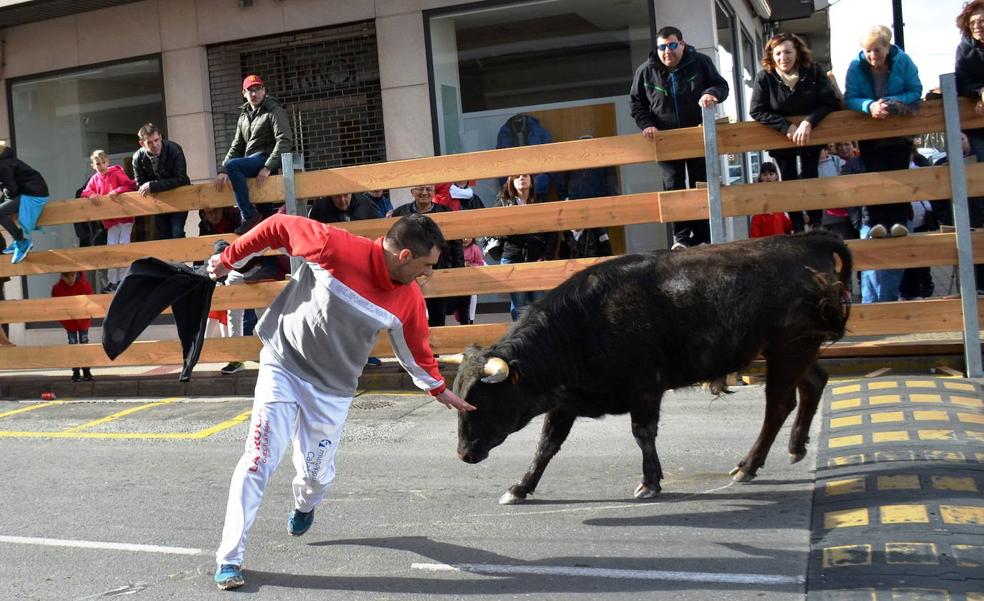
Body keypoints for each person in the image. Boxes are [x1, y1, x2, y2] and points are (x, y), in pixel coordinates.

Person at [207, 212, 473, 590]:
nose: (429, 274)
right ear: (404, 256)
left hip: (331, 390)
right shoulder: (335, 246)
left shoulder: (408, 299)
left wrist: (437, 388)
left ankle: (304, 503)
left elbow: (416, 349)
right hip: (283, 364)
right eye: (426, 265)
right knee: (259, 458)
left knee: (315, 477)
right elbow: (278, 226)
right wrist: (229, 258)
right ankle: (229, 558)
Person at [630, 25, 729, 249]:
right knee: (674, 185)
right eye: (663, 47)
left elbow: (721, 85)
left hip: (698, 135)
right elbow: (636, 103)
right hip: (666, 139)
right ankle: (681, 238)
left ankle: (703, 237)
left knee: (700, 184)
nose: (668, 51)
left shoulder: (701, 62)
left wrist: (710, 93)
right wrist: (646, 125)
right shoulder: (646, 70)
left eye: (673, 45)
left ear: (682, 45)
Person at [750, 33, 841, 232]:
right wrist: (786, 127)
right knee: (789, 179)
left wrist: (808, 122)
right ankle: (797, 227)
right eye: (778, 53)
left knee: (811, 175)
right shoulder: (764, 77)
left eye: (788, 52)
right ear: (771, 56)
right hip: (781, 138)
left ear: (797, 52)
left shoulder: (814, 71)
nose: (784, 57)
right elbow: (756, 110)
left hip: (812, 134)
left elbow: (829, 102)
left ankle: (816, 223)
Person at [844, 25, 922, 242]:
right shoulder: (855, 66)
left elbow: (916, 90)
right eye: (867, 50)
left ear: (887, 48)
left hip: (899, 129)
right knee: (875, 174)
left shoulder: (903, 61)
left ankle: (899, 221)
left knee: (898, 173)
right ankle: (875, 222)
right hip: (870, 130)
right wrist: (869, 105)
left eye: (876, 50)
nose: (871, 55)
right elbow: (850, 97)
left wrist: (894, 103)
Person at [214, 74, 293, 235]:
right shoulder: (243, 116)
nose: (254, 94)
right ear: (244, 93)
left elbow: (284, 140)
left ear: (264, 90)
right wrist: (222, 171)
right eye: (250, 91)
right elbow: (237, 146)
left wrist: (267, 167)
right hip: (252, 164)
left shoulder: (273, 110)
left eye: (258, 89)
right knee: (266, 224)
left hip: (264, 160)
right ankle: (270, 258)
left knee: (233, 166)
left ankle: (249, 214)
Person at [391, 185, 465, 327]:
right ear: (412, 191)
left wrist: (457, 271)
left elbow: (456, 246)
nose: (424, 193)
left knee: (438, 317)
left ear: (434, 192)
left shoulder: (446, 212)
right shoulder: (400, 213)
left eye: (429, 189)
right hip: (409, 275)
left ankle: (435, 350)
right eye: (420, 189)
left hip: (438, 271)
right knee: (411, 317)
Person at [495, 174, 558, 320]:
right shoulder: (503, 202)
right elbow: (496, 231)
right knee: (519, 306)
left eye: (525, 175)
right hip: (512, 258)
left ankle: (536, 340)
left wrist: (547, 256)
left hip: (537, 258)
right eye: (517, 176)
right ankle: (521, 340)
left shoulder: (541, 201)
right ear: (511, 182)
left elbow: (552, 233)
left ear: (531, 181)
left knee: (539, 305)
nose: (522, 178)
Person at [81, 150, 137, 292]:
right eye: (98, 164)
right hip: (111, 219)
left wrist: (117, 191)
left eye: (103, 162)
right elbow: (85, 192)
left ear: (108, 161)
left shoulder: (116, 173)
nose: (101, 166)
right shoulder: (94, 179)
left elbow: (131, 185)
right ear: (93, 165)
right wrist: (92, 194)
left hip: (124, 217)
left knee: (124, 246)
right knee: (112, 248)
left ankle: (124, 279)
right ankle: (113, 281)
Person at [132, 123, 191, 240]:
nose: (154, 145)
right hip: (158, 200)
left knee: (177, 232)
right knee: (164, 235)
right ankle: (173, 258)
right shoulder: (137, 157)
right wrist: (151, 187)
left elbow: (181, 178)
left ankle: (180, 258)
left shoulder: (174, 149)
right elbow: (140, 184)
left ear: (160, 137)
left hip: (180, 196)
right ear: (142, 143)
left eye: (156, 140)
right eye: (149, 142)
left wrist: (153, 185)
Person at [0, 146, 49, 264]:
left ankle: (22, 242)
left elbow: (11, 189)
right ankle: (18, 242)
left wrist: (6, 201)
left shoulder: (3, 165)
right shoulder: (5, 161)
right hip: (30, 191)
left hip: (33, 194)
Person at [51, 271, 94, 382]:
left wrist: (87, 316)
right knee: (73, 345)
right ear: (62, 276)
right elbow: (56, 306)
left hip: (83, 320)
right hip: (69, 322)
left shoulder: (85, 284)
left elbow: (90, 302)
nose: (70, 279)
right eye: (66, 277)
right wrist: (65, 320)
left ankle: (86, 370)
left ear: (76, 274)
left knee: (84, 344)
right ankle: (76, 371)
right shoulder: (57, 288)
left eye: (72, 276)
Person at [955, 0, 984, 162]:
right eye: (972, 22)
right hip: (977, 126)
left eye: (981, 21)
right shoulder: (965, 48)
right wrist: (979, 92)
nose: (977, 25)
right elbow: (962, 82)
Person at [749, 162, 793, 238]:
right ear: (760, 177)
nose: (768, 177)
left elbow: (787, 226)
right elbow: (754, 236)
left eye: (771, 174)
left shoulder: (780, 204)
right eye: (765, 175)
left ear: (776, 176)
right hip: (762, 221)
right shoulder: (757, 215)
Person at [461, 237, 486, 324]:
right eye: (463, 237)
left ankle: (471, 319)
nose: (465, 239)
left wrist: (470, 265)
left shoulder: (475, 248)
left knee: (473, 296)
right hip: (457, 279)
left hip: (470, 280)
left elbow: (480, 264)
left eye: (468, 237)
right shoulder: (455, 248)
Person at [308, 193, 375, 223]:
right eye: (337, 196)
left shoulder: (364, 204)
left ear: (351, 193)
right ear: (331, 195)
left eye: (346, 195)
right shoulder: (319, 209)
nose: (342, 200)